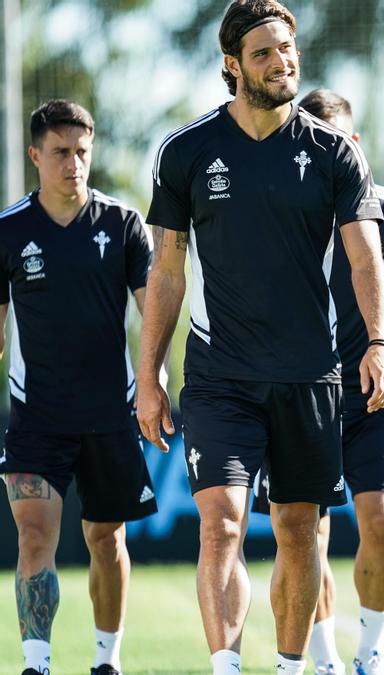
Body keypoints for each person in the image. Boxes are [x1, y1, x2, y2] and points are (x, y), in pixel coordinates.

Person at [134, 3, 384, 674]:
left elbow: (366, 257)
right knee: (221, 520)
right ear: (231, 64)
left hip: (311, 375)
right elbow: (166, 271)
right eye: (263, 53)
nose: (282, 62)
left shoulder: (333, 151)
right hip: (221, 376)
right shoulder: (186, 152)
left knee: (296, 529)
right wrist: (149, 375)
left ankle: (288, 665)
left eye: (287, 49)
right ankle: (226, 667)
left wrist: (379, 340)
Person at [250, 88, 384, 675]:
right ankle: (326, 659)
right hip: (297, 399)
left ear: (354, 145)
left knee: (381, 523)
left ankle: (372, 653)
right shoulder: (278, 215)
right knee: (302, 537)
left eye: (334, 142)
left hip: (371, 398)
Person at [0, 99, 157, 675]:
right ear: (35, 155)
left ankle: (105, 661)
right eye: (62, 153)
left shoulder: (122, 224)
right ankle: (36, 664)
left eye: (83, 152)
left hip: (109, 414)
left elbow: (153, 315)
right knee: (34, 535)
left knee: (106, 539)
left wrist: (153, 382)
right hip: (36, 416)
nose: (74, 163)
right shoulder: (9, 230)